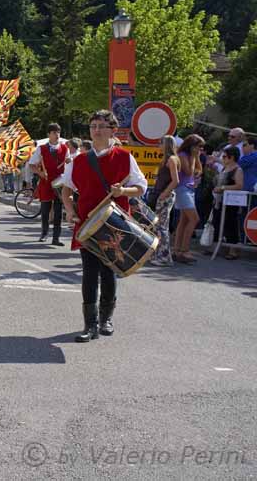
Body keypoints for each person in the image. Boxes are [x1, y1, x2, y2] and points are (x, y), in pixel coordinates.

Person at [61, 110, 147, 342]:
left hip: (114, 224)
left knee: (109, 271)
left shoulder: (124, 157)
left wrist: (123, 191)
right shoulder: (78, 160)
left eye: (101, 126)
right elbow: (66, 190)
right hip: (87, 223)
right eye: (93, 126)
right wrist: (69, 211)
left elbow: (140, 187)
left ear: (112, 130)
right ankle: (89, 325)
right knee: (89, 273)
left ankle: (106, 318)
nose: (96, 130)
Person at [29, 124, 68, 245]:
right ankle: (44, 233)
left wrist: (69, 162)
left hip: (59, 183)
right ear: (49, 135)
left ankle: (56, 237)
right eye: (54, 132)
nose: (57, 135)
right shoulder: (41, 149)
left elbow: (67, 165)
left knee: (58, 212)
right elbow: (31, 165)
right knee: (45, 210)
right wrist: (40, 172)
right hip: (46, 182)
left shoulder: (64, 148)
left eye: (58, 132)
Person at [149, 136, 180, 266]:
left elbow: (176, 180)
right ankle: (159, 254)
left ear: (166, 144)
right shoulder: (167, 159)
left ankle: (164, 257)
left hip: (165, 196)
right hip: (162, 194)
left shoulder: (172, 159)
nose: (158, 145)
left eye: (160, 142)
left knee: (162, 226)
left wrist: (164, 194)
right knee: (159, 226)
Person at [174, 134, 205, 264]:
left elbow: (199, 170)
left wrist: (196, 157)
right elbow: (189, 172)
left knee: (184, 220)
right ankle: (184, 251)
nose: (201, 150)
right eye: (199, 147)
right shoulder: (182, 156)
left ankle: (177, 250)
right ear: (192, 146)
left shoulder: (191, 156)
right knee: (194, 219)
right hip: (183, 190)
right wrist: (193, 157)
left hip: (189, 190)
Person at [212, 147, 245, 260]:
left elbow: (239, 185)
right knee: (217, 222)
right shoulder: (225, 168)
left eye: (225, 157)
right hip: (219, 200)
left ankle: (233, 250)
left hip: (231, 202)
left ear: (232, 157)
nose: (223, 159)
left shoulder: (238, 170)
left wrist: (222, 187)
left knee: (230, 224)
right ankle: (218, 247)